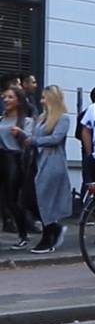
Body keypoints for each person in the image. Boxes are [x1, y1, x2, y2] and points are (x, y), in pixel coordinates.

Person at [11, 87, 72, 253]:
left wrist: (33, 140)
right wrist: (24, 136)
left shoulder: (63, 119)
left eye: (44, 98)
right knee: (28, 199)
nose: (41, 100)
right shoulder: (42, 118)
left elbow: (56, 138)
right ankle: (54, 228)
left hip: (52, 164)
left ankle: (47, 238)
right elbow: (35, 137)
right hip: (36, 162)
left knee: (45, 201)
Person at [1, 86, 35, 248]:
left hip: (13, 160)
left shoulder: (26, 121)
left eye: (10, 97)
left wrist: (20, 133)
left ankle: (23, 234)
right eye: (4, 97)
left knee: (12, 200)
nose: (6, 100)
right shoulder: (1, 119)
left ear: (18, 101)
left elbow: (30, 141)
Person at [77, 86, 95, 184]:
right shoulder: (93, 110)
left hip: (89, 154)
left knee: (88, 183)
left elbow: (79, 133)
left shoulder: (85, 112)